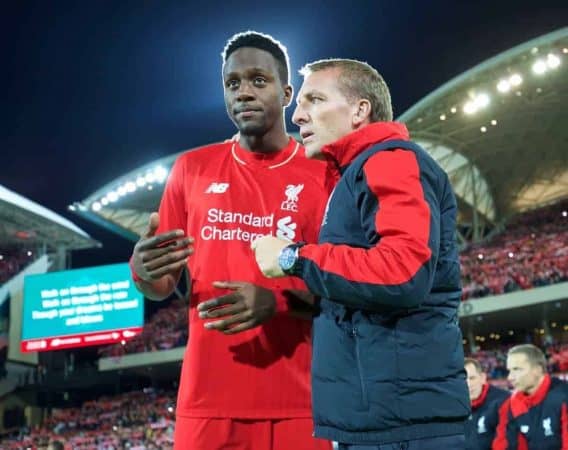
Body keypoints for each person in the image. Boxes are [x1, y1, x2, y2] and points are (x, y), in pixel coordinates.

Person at [252, 58, 470, 449]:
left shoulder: (390, 160)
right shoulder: (352, 175)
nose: (298, 115)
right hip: (383, 420)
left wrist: (292, 258)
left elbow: (403, 272)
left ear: (359, 110)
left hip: (403, 428)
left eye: (315, 100)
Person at [129, 32, 332, 450]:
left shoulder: (325, 175)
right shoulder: (191, 170)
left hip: (302, 404)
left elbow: (347, 289)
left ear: (287, 92)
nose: (243, 92)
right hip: (207, 405)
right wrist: (141, 271)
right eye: (232, 83)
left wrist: (277, 303)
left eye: (259, 80)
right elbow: (160, 284)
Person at [493, 344, 568, 449]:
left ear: (537, 370)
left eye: (517, 369)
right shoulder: (513, 403)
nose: (510, 377)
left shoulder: (563, 396)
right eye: (510, 370)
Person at [464, 357, 510, 450]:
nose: (468, 384)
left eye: (472, 378)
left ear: (482, 378)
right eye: (463, 380)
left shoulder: (503, 400)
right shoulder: (456, 406)